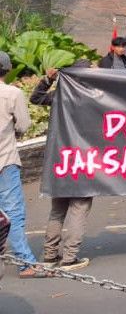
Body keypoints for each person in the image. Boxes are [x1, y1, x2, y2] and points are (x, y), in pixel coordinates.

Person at [31, 60, 94, 271]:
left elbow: (36, 98)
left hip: (60, 160)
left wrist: (48, 79)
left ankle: (49, 254)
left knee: (58, 210)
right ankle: (69, 258)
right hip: (84, 160)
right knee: (79, 208)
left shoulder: (60, 95)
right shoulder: (97, 97)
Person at [0, 51, 43, 278]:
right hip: (5, 160)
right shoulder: (12, 93)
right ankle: (26, 264)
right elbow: (24, 125)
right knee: (12, 215)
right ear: (7, 70)